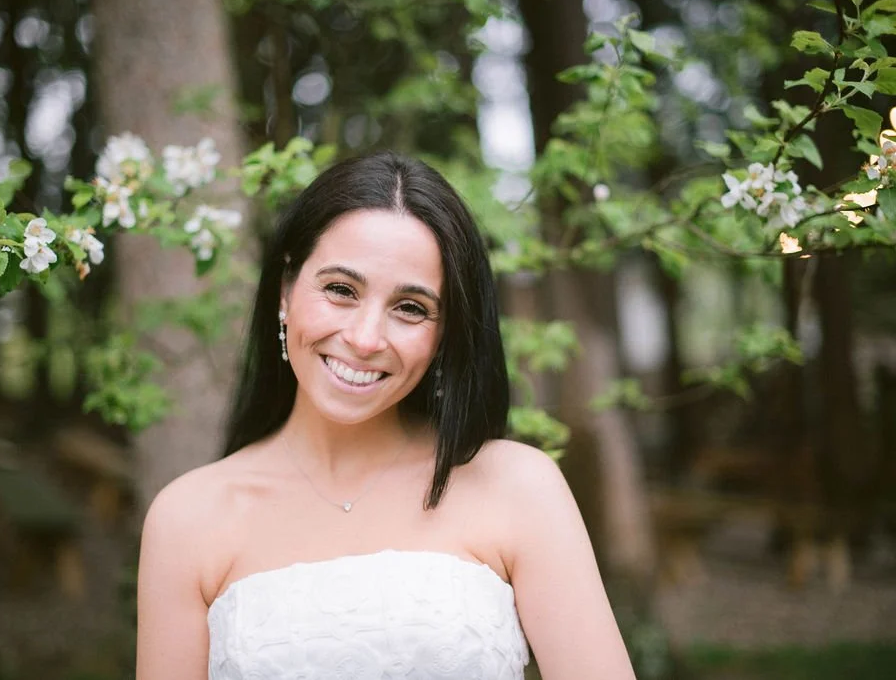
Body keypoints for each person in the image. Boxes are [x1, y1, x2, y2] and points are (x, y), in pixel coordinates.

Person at [135, 152, 637, 679]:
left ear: (445, 334)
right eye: (340, 290)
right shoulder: (188, 519)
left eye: (411, 308)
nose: (365, 338)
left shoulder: (517, 486)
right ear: (286, 291)